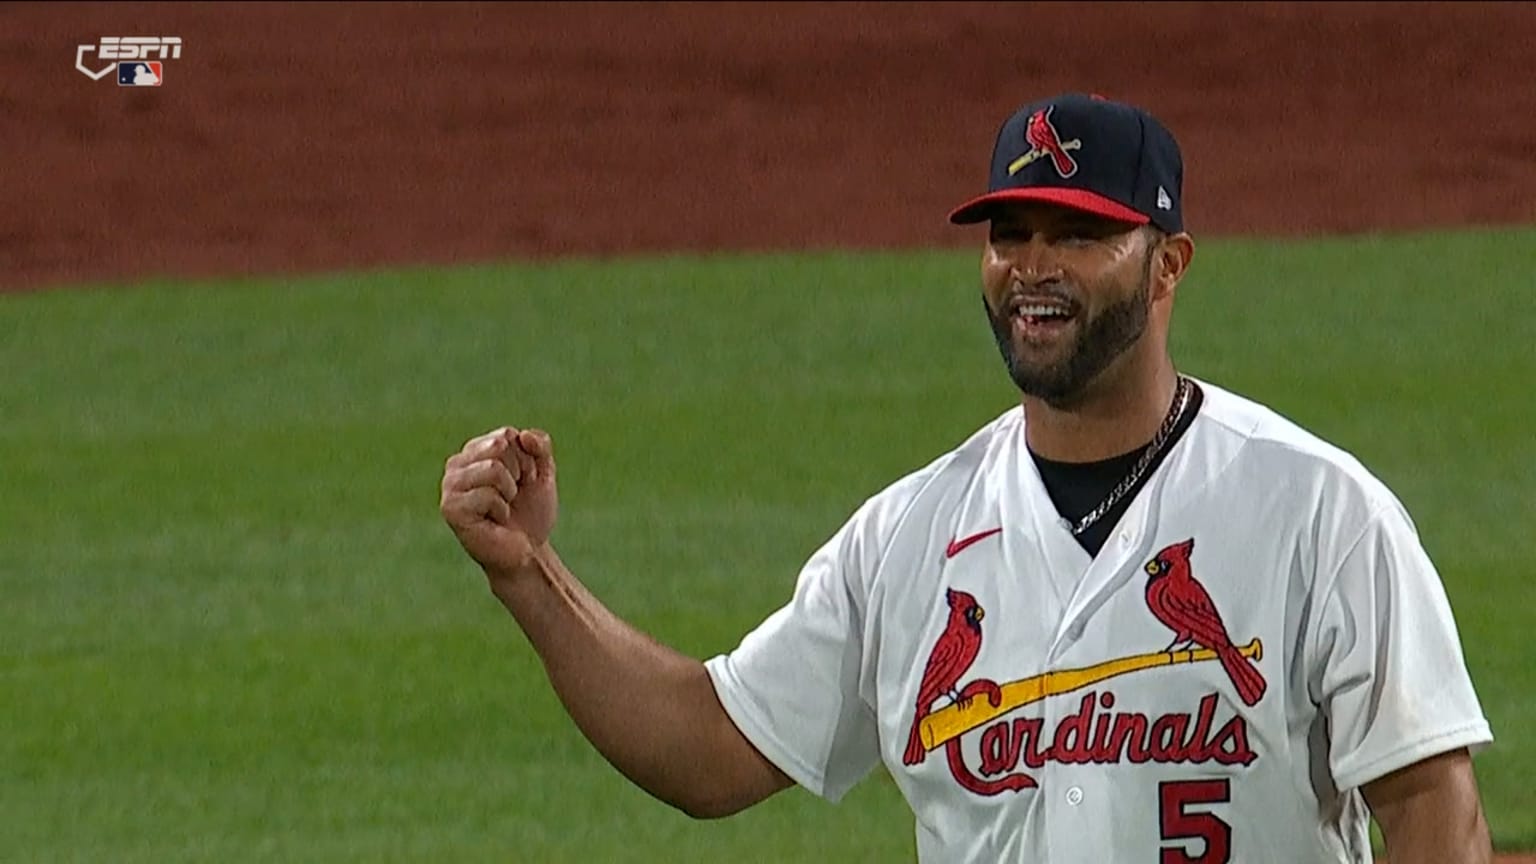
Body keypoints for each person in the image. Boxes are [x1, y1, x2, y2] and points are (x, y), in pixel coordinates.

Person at [438, 93, 1495, 863]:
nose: (1033, 265)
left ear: (1167, 265)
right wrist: (530, 576)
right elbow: (712, 747)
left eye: (1078, 235)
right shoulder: (910, 536)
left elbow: (1432, 804)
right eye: (1010, 234)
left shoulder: (1316, 509)